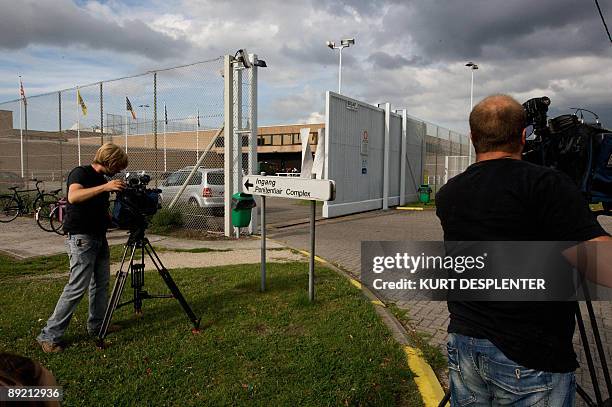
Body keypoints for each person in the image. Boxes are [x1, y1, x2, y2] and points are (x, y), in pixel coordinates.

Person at [435, 94, 611, 406]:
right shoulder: (548, 185)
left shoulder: (449, 193)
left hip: (464, 343)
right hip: (530, 355)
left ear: (472, 137)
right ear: (522, 135)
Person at [37, 143, 128, 353]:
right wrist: (105, 188)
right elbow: (73, 197)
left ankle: (97, 326)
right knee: (77, 287)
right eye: (118, 165)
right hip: (81, 238)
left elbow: (95, 207)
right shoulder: (81, 173)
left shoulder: (100, 180)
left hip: (98, 237)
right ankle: (49, 336)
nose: (119, 170)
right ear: (110, 160)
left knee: (101, 285)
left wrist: (113, 219)